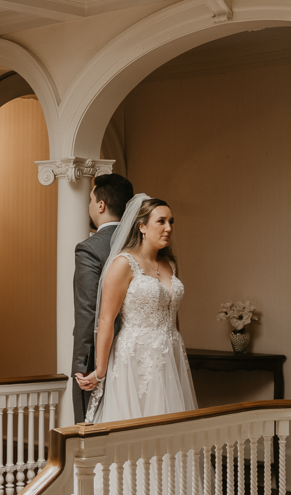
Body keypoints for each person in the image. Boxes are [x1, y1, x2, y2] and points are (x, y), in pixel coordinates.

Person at [76, 195, 198, 423]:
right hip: (135, 357)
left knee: (171, 426)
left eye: (171, 222)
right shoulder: (124, 263)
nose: (168, 228)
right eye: (161, 221)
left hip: (171, 352)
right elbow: (106, 319)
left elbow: (172, 313)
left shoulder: (170, 264)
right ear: (142, 226)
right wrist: (100, 371)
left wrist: (176, 347)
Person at [71, 173, 134, 424]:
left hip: (102, 361)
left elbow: (88, 313)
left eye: (90, 199)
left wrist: (82, 365)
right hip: (141, 354)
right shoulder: (144, 245)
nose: (88, 206)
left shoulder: (90, 248)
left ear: (101, 205)